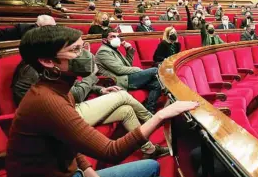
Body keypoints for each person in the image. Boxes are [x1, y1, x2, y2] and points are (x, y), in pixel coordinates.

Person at [5, 25, 197, 177]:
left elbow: (69, 143)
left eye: (83, 47)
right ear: (47, 61)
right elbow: (111, 151)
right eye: (75, 50)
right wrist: (161, 115)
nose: (86, 55)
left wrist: (91, 175)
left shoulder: (60, 90)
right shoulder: (47, 100)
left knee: (151, 166)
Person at [11, 57, 169, 159]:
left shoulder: (48, 64)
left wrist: (100, 89)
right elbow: (77, 94)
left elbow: (74, 86)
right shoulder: (35, 70)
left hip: (69, 104)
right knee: (123, 96)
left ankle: (149, 149)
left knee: (126, 110)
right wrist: (92, 74)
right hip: (61, 114)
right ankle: (156, 121)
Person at [95, 30, 163, 113]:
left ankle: (149, 110)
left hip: (126, 77)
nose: (116, 39)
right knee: (155, 70)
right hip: (119, 81)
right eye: (112, 36)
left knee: (157, 84)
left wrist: (129, 50)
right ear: (104, 40)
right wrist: (140, 70)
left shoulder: (113, 50)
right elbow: (119, 70)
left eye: (117, 36)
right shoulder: (103, 51)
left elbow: (127, 67)